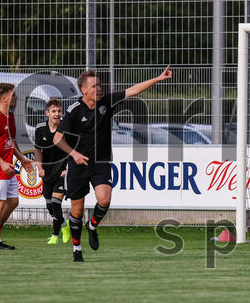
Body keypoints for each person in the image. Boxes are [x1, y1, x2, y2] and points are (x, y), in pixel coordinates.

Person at [54, 68, 172, 262]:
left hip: (100, 162)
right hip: (77, 165)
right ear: (84, 90)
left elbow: (133, 90)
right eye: (95, 86)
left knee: (105, 199)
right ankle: (77, 249)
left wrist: (159, 78)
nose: (99, 88)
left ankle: (92, 226)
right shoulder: (73, 110)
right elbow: (58, 138)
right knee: (76, 211)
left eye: (100, 84)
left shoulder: (106, 102)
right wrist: (74, 154)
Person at [0, 83, 35, 250]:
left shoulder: (10, 117)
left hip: (8, 168)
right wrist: (2, 162)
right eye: (14, 95)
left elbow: (11, 142)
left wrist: (22, 160)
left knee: (13, 202)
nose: (17, 97)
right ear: (5, 98)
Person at [34, 98, 70, 245]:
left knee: (56, 202)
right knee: (50, 207)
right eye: (54, 111)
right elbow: (37, 151)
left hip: (62, 172)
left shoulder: (67, 128)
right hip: (47, 172)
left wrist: (68, 168)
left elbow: (74, 150)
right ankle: (64, 226)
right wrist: (39, 167)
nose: (57, 114)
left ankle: (55, 236)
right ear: (47, 113)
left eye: (59, 111)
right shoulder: (40, 128)